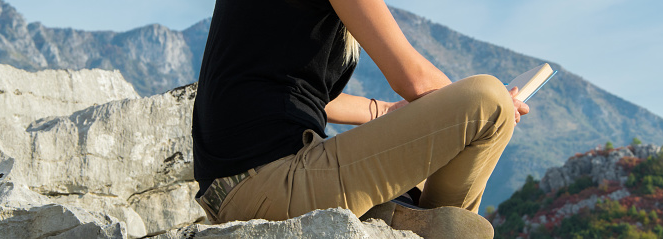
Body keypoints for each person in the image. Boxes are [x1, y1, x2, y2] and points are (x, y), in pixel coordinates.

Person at [192, 0, 530, 224]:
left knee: (435, 186)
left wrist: (385, 111)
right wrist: (498, 105)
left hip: (238, 185)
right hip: (271, 180)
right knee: (488, 100)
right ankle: (438, 222)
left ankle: (427, 221)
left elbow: (300, 94)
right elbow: (413, 79)